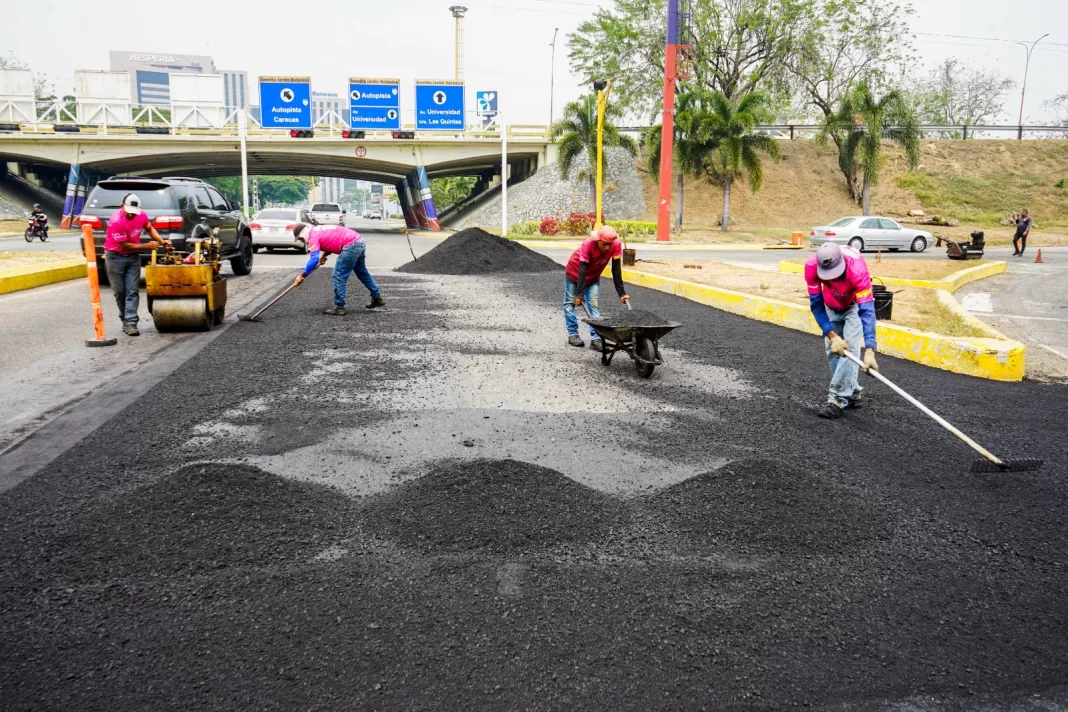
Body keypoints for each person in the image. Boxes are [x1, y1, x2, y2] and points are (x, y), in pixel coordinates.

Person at [805, 243, 879, 419]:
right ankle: (852, 393)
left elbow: (867, 311)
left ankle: (837, 400)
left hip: (853, 306)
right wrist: (831, 334)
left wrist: (869, 349)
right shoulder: (811, 266)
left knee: (850, 348)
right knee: (834, 350)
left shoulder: (857, 269)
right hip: (830, 305)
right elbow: (816, 304)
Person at [104, 193, 171, 336]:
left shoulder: (141, 215)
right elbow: (124, 246)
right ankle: (125, 320)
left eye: (134, 213)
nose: (131, 216)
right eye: (129, 213)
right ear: (122, 207)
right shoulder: (116, 221)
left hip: (133, 258)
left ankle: (131, 322)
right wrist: (147, 245)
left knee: (132, 291)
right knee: (120, 292)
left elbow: (149, 228)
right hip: (115, 257)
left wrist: (162, 241)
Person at [291, 223, 384, 315]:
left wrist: (302, 275)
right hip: (359, 241)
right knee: (362, 272)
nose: (302, 241)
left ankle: (339, 307)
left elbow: (314, 259)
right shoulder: (317, 229)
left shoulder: (312, 237)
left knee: (339, 275)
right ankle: (377, 297)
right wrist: (324, 255)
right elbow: (332, 239)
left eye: (300, 238)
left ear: (303, 233)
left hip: (350, 245)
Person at [563, 225, 630, 350]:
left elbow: (616, 269)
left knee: (593, 305)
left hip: (593, 277)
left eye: (609, 244)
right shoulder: (588, 244)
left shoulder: (616, 244)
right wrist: (579, 294)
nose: (607, 247)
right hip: (574, 273)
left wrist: (621, 293)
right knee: (569, 304)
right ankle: (573, 335)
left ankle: (596, 338)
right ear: (597, 240)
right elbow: (582, 270)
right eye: (604, 244)